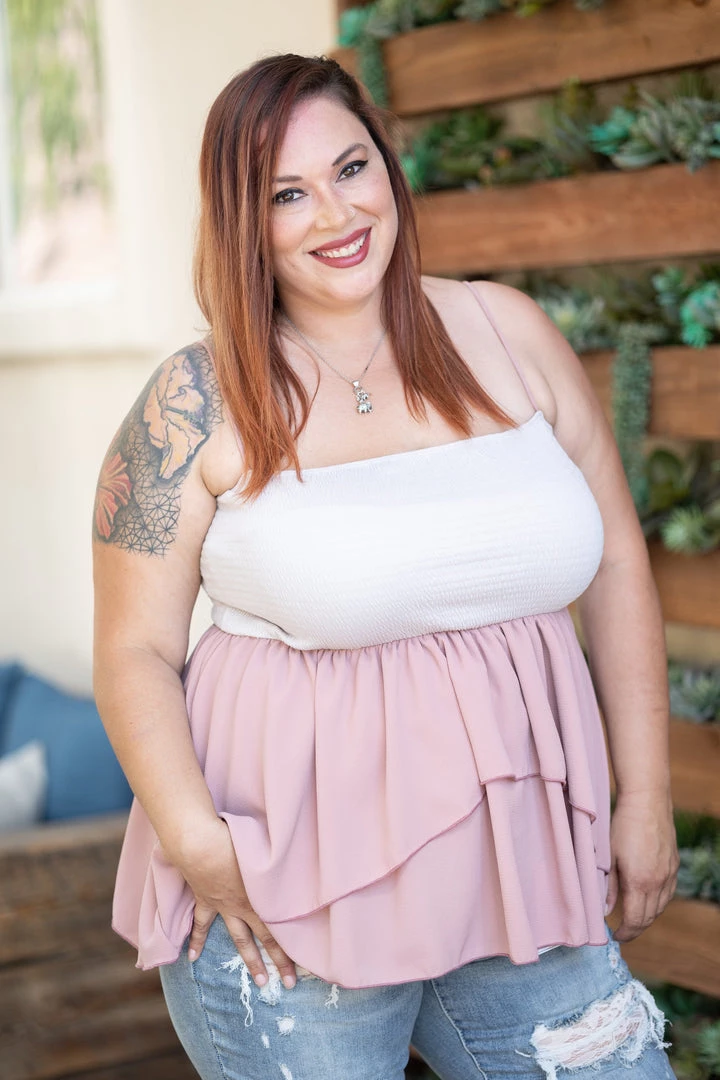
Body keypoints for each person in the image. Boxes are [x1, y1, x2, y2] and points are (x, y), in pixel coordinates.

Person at [92, 52, 680, 1080]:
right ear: (241, 220)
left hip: (521, 873)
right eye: (287, 194)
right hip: (288, 891)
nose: (336, 214)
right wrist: (196, 844)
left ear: (387, 169)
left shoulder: (506, 330)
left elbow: (619, 560)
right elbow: (134, 647)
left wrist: (647, 794)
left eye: (351, 168)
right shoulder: (195, 401)